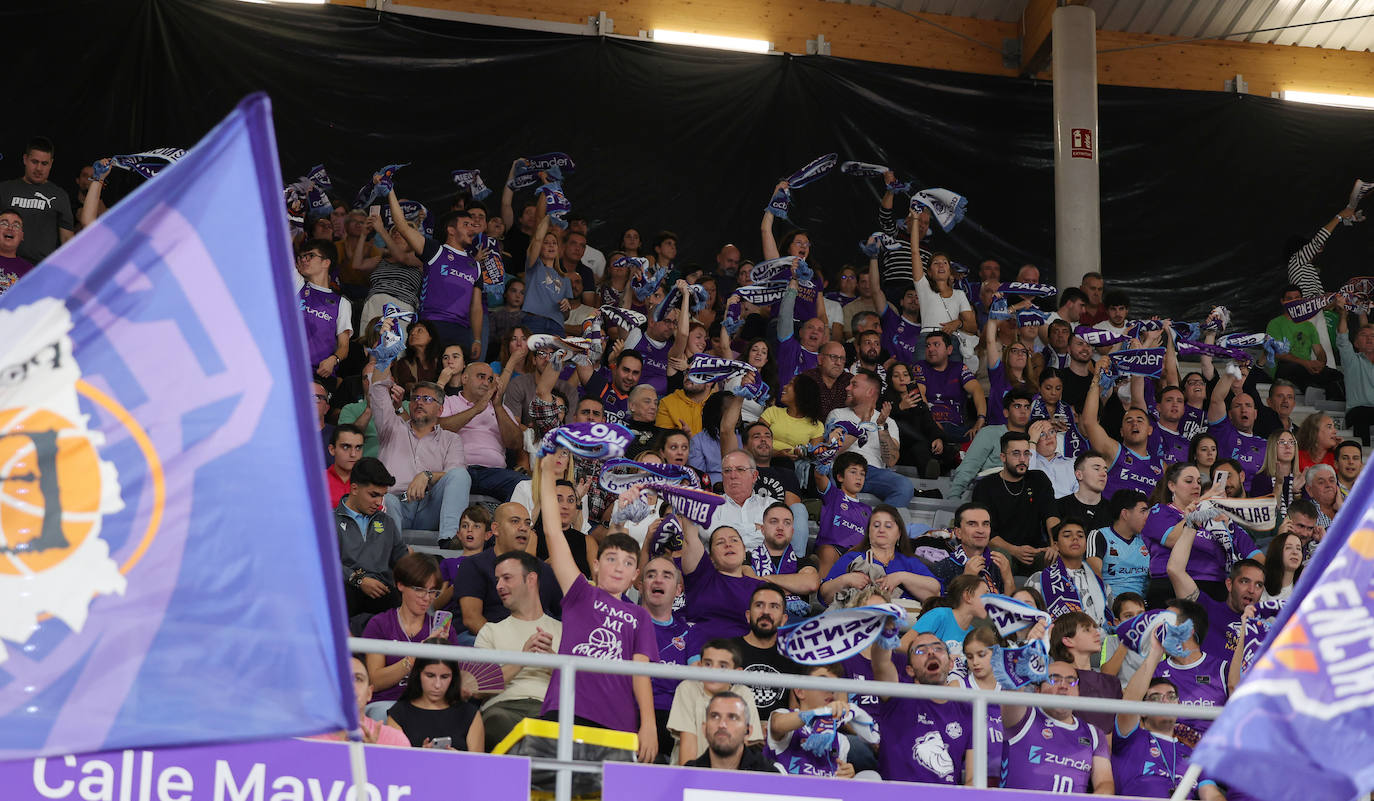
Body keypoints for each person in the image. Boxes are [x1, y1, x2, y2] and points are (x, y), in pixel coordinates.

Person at [537, 448, 658, 763]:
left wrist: (649, 724)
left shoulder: (639, 616)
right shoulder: (580, 593)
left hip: (617, 722)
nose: (618, 567)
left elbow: (640, 674)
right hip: (565, 710)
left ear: (635, 575)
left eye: (628, 562)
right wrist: (549, 470)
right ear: (595, 565)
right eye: (611, 559)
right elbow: (552, 530)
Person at [368, 367, 471, 544]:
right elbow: (377, 392)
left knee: (461, 475)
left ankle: (449, 541)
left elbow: (455, 476)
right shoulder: (391, 427)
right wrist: (383, 360)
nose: (419, 402)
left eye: (427, 399)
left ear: (440, 410)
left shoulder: (451, 439)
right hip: (395, 504)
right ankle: (394, 555)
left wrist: (426, 476)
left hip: (429, 507)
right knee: (388, 500)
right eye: (415, 398)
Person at [1114, 636, 1224, 799]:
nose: (1165, 701)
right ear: (1142, 709)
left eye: (1171, 696)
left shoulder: (1192, 752)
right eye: (1156, 697)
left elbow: (1211, 794)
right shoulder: (1132, 738)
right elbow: (1129, 703)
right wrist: (1156, 653)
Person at [474, 550, 563, 750]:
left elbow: (580, 688)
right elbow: (476, 688)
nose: (498, 586)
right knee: (500, 723)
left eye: (506, 578)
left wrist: (552, 661)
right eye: (497, 580)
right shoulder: (490, 631)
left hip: (550, 710)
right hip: (503, 709)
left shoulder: (564, 631)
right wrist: (521, 660)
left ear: (531, 579)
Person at [681, 513, 817, 642]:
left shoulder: (760, 588)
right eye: (720, 542)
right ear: (711, 558)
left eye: (734, 540)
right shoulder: (701, 576)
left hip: (743, 658)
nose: (728, 544)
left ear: (745, 552)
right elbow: (691, 539)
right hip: (699, 652)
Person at [1142, 462, 1259, 608]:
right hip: (1171, 586)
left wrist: (1228, 528)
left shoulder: (1217, 519)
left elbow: (1255, 556)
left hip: (1216, 586)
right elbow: (1173, 539)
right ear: (1172, 486)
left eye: (1198, 482)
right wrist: (1203, 502)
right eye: (1189, 481)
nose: (1196, 486)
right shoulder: (1159, 511)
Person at [387, 187, 483, 356]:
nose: (472, 229)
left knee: (456, 380)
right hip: (432, 325)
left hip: (461, 331)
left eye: (473, 226)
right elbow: (402, 226)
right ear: (451, 230)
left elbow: (476, 307)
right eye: (466, 224)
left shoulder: (475, 265)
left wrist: (476, 338)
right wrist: (390, 190)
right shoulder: (435, 250)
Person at [870, 632, 976, 785]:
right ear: (910, 670)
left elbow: (973, 778)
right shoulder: (897, 697)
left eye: (938, 648)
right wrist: (885, 633)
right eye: (920, 651)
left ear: (951, 664)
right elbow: (880, 662)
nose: (931, 652)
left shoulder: (967, 710)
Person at [1000, 661, 1114, 793]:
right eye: (1054, 680)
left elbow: (1105, 783)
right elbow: (1012, 692)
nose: (1063, 686)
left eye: (1071, 681)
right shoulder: (1024, 717)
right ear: (1037, 690)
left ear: (1078, 691)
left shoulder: (1094, 734)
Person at [362, 553, 460, 703]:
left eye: (433, 591)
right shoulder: (380, 624)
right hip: (388, 702)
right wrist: (415, 656)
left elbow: (455, 681)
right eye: (420, 589)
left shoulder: (444, 631)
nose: (427, 598)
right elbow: (375, 682)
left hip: (429, 705)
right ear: (400, 585)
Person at [454, 502, 562, 636]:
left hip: (537, 644)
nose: (523, 528)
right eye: (515, 521)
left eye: (527, 523)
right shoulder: (473, 565)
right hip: (487, 644)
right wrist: (508, 647)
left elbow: (563, 614)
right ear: (495, 529)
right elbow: (472, 619)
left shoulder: (544, 570)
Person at [1167, 526, 1265, 660]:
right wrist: (1191, 527)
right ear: (1229, 584)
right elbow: (1175, 570)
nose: (1251, 590)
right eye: (1244, 581)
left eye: (1258, 585)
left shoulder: (1264, 629)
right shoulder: (1205, 608)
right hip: (1206, 680)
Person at [971, 431, 1058, 574]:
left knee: (1055, 557)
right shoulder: (985, 487)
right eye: (1016, 454)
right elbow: (986, 532)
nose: (1022, 459)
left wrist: (1055, 544)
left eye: (1026, 453)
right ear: (1003, 457)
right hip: (1002, 550)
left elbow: (1052, 515)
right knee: (1001, 558)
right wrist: (1014, 550)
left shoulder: (1039, 479)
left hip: (1035, 551)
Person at [820, 504, 942, 605]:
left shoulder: (909, 562)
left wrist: (901, 577)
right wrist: (845, 580)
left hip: (902, 624)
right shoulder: (853, 557)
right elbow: (824, 595)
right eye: (876, 525)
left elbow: (935, 591)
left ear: (899, 533)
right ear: (869, 532)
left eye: (888, 526)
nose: (881, 530)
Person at [438, 362, 524, 500]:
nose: (486, 383)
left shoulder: (501, 409)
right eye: (481, 377)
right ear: (464, 379)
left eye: (490, 379)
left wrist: (497, 407)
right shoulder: (448, 402)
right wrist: (477, 409)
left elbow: (516, 443)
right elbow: (439, 429)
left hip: (494, 473)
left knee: (524, 486)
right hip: (458, 470)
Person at [667, 640, 764, 764]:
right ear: (699, 666)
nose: (713, 670)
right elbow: (688, 755)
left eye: (723, 666)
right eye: (708, 664)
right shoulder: (688, 688)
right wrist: (692, 782)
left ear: (738, 673)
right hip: (692, 775)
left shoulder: (743, 693)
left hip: (730, 777)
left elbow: (742, 749)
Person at [826, 369, 910, 507]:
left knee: (904, 486)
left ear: (869, 392)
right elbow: (833, 450)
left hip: (871, 473)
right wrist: (862, 425)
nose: (847, 387)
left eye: (854, 385)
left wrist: (881, 427)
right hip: (841, 469)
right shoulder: (837, 415)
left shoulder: (889, 422)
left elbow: (891, 461)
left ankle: (876, 523)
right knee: (827, 477)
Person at [1151, 599, 1228, 747]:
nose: (1159, 627)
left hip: (1211, 756)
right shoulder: (1155, 671)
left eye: (1166, 621)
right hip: (1168, 757)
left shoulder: (1223, 670)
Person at [767, 663, 867, 778]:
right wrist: (819, 712)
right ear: (800, 691)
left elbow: (836, 782)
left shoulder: (841, 740)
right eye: (823, 683)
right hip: (785, 793)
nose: (831, 690)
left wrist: (846, 774)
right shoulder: (784, 715)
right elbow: (777, 725)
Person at [338, 456, 408, 620]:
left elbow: (403, 561)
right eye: (373, 495)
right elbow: (323, 563)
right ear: (354, 489)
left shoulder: (387, 522)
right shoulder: (328, 521)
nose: (379, 502)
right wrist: (359, 580)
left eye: (382, 496)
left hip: (383, 594)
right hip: (346, 591)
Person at [1084, 359, 1164, 499]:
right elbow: (1089, 422)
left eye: (1140, 420)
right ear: (1121, 431)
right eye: (1128, 420)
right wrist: (1096, 378)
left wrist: (1139, 358)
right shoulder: (1114, 451)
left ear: (1150, 430)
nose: (1134, 424)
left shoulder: (1162, 466)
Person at [641, 554, 691, 760]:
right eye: (651, 575)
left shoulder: (689, 633)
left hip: (674, 718)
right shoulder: (625, 621)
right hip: (627, 710)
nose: (658, 580)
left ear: (679, 589)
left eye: (667, 575)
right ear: (641, 584)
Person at [727, 585, 800, 721]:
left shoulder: (794, 656)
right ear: (748, 616)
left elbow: (796, 710)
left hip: (778, 736)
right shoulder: (726, 651)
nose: (766, 612)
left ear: (784, 619)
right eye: (759, 605)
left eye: (774, 606)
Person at [387, 654, 484, 751]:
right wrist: (419, 757)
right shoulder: (399, 713)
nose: (437, 685)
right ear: (418, 674)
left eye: (444, 677)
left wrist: (458, 759)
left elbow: (478, 764)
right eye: (430, 676)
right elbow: (394, 762)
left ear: (453, 677)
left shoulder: (470, 714)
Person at [950, 388, 1034, 497]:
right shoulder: (990, 433)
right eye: (1017, 406)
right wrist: (953, 497)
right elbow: (969, 466)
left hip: (1024, 493)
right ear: (1006, 413)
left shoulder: (1034, 437)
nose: (1023, 411)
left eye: (1027, 407)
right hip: (991, 491)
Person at [0, 137, 73, 263]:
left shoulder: (60, 195)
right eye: (34, 162)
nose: (39, 168)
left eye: (44, 163)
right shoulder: (5, 189)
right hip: (5, 267)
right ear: (25, 159)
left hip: (41, 270)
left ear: (51, 163)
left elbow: (67, 240)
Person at [1027, 519, 1110, 627]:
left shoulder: (1101, 585)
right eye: (1067, 535)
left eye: (1080, 536)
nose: (1075, 538)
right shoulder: (1038, 580)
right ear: (1056, 545)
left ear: (1085, 545)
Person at [1049, 611, 1121, 734]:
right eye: (1087, 630)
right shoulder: (1054, 681)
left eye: (1095, 628)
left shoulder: (1111, 682)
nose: (1097, 633)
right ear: (1068, 640)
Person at [1269, 285, 1344, 400]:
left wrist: (1320, 364)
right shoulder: (1275, 324)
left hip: (1306, 367)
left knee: (1336, 375)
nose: (1294, 301)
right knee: (1296, 369)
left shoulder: (1308, 325)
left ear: (1302, 300)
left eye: (1297, 298)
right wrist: (1305, 363)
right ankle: (1314, 394)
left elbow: (1319, 351)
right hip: (1284, 367)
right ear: (1282, 302)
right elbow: (1279, 354)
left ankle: (1331, 401)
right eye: (1289, 299)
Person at [294, 239, 353, 382]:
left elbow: (344, 346)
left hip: (320, 376)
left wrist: (334, 359)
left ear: (326, 262)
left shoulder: (342, 303)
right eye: (303, 257)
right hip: (291, 370)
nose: (305, 260)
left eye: (310, 256)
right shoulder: (297, 285)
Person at [914, 331, 986, 443]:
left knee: (986, 435)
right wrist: (931, 423)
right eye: (928, 345)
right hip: (930, 426)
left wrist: (980, 420)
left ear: (949, 350)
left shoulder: (959, 368)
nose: (930, 349)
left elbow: (977, 390)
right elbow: (920, 393)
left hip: (956, 428)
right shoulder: (920, 367)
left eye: (936, 344)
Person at [886, 362, 955, 478]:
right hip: (900, 449)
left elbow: (929, 422)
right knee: (913, 439)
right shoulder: (885, 398)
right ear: (890, 379)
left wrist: (937, 438)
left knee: (924, 447)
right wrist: (900, 408)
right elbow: (884, 421)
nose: (902, 379)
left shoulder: (917, 398)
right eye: (896, 376)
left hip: (921, 448)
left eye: (905, 375)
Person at [1206, 364, 1267, 491]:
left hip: (1255, 501)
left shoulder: (1265, 444)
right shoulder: (1223, 431)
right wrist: (1229, 374)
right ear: (1230, 414)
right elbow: (1216, 400)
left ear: (1255, 414)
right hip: (1225, 495)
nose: (1244, 409)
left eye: (1248, 405)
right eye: (1238, 406)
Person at [814, 452, 876, 578]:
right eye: (853, 472)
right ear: (840, 477)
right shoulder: (834, 495)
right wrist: (823, 462)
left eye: (862, 474)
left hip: (856, 552)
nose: (859, 477)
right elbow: (819, 477)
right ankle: (819, 593)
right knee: (828, 552)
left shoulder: (867, 509)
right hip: (832, 547)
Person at [1086, 489, 1151, 600]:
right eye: (1142, 511)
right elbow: (1094, 575)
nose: (1147, 517)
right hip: (1111, 604)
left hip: (1142, 606)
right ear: (1125, 514)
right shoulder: (1099, 536)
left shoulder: (1147, 539)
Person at [684, 692, 774, 771]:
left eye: (732, 717)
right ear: (704, 729)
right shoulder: (688, 775)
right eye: (715, 716)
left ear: (748, 731)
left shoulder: (770, 775)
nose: (722, 724)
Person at [912, 575, 989, 666]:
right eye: (986, 595)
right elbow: (904, 645)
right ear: (968, 596)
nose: (990, 601)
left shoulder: (973, 633)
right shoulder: (939, 615)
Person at [338, 655, 410, 747]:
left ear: (369, 693)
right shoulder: (313, 734)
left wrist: (371, 754)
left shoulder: (395, 740)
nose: (350, 686)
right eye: (342, 678)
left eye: (358, 679)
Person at [1335, 295, 1374, 445]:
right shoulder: (1352, 361)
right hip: (1357, 412)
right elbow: (1343, 340)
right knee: (1361, 414)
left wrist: (1362, 311)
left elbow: (1367, 327)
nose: (1369, 339)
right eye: (1364, 336)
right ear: (1356, 343)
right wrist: (1343, 316)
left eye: (1373, 336)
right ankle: (1364, 455)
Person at [581, 349, 642, 424]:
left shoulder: (641, 403)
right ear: (615, 368)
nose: (630, 377)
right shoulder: (601, 387)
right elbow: (580, 359)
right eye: (626, 370)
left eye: (635, 373)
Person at [1056, 451, 1111, 530]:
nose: (1103, 474)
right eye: (1096, 469)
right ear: (1079, 475)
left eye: (1105, 470)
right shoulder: (1059, 507)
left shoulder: (1114, 511)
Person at [1030, 420, 1079, 498]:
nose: (1048, 437)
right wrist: (1031, 442)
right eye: (1042, 434)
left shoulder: (1073, 463)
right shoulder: (1030, 463)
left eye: (1051, 431)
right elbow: (1026, 479)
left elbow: (1081, 496)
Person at [1249, 430, 1300, 501]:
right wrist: (1278, 485)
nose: (1288, 446)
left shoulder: (1300, 479)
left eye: (1291, 442)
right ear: (1272, 447)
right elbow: (1264, 510)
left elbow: (1306, 511)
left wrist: (1297, 493)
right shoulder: (1261, 479)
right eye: (1282, 442)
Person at [393, 320, 443, 390]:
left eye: (419, 330)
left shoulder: (442, 360)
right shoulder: (403, 364)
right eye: (411, 332)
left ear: (431, 337)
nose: (413, 333)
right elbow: (407, 387)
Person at [326, 425, 366, 508]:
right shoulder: (316, 482)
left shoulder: (370, 482)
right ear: (332, 450)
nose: (353, 454)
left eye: (358, 448)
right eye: (346, 447)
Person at [1261, 528, 1304, 603]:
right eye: (1288, 548)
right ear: (1276, 552)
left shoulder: (1304, 589)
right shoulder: (1260, 588)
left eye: (1298, 548)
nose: (1295, 552)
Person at [0, 208, 33, 293]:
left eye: (16, 225)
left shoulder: (30, 271)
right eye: (4, 223)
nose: (10, 228)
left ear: (22, 236)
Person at [1304, 462, 1342, 527]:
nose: (1328, 485)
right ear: (1309, 490)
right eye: (1321, 482)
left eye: (1331, 480)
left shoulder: (1349, 505)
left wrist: (1342, 508)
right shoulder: (1305, 513)